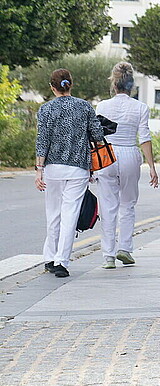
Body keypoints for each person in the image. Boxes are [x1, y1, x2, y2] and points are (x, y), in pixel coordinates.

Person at [35, 68, 105, 278]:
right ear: (70, 85)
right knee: (70, 215)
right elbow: (97, 135)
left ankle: (49, 257)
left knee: (53, 214)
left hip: (53, 169)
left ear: (52, 87)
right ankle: (61, 262)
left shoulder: (46, 110)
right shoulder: (84, 107)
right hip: (78, 169)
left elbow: (42, 141)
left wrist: (39, 170)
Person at [95, 62, 159, 269]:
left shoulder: (103, 106)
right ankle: (125, 248)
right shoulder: (140, 108)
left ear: (114, 83)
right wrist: (151, 166)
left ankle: (108, 255)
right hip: (130, 154)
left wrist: (92, 164)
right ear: (131, 85)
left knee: (108, 205)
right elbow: (145, 138)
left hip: (108, 155)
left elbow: (97, 137)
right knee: (128, 204)